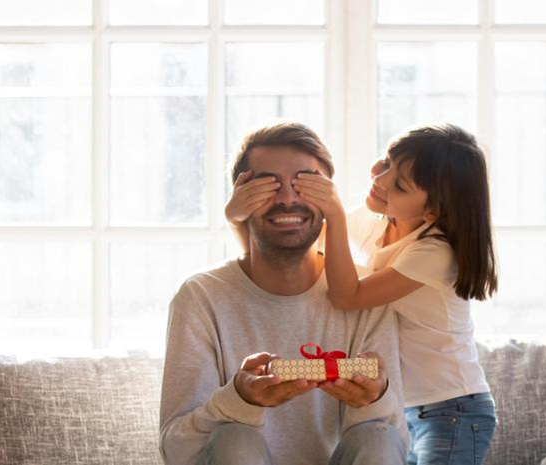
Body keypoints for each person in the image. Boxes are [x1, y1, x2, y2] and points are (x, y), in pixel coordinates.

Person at [227, 123, 499, 465]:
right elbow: (289, 248)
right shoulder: (381, 220)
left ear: (433, 211)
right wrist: (236, 217)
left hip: (452, 408)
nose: (381, 180)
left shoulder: (436, 252)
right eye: (385, 162)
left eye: (398, 185)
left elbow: (347, 295)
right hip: (406, 406)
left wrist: (335, 213)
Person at [159, 121, 408, 465]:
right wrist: (238, 401)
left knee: (377, 437)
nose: (288, 199)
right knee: (235, 437)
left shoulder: (366, 294)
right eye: (268, 184)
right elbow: (175, 449)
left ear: (330, 197)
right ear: (241, 197)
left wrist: (374, 397)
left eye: (306, 184)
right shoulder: (201, 297)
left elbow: (394, 444)